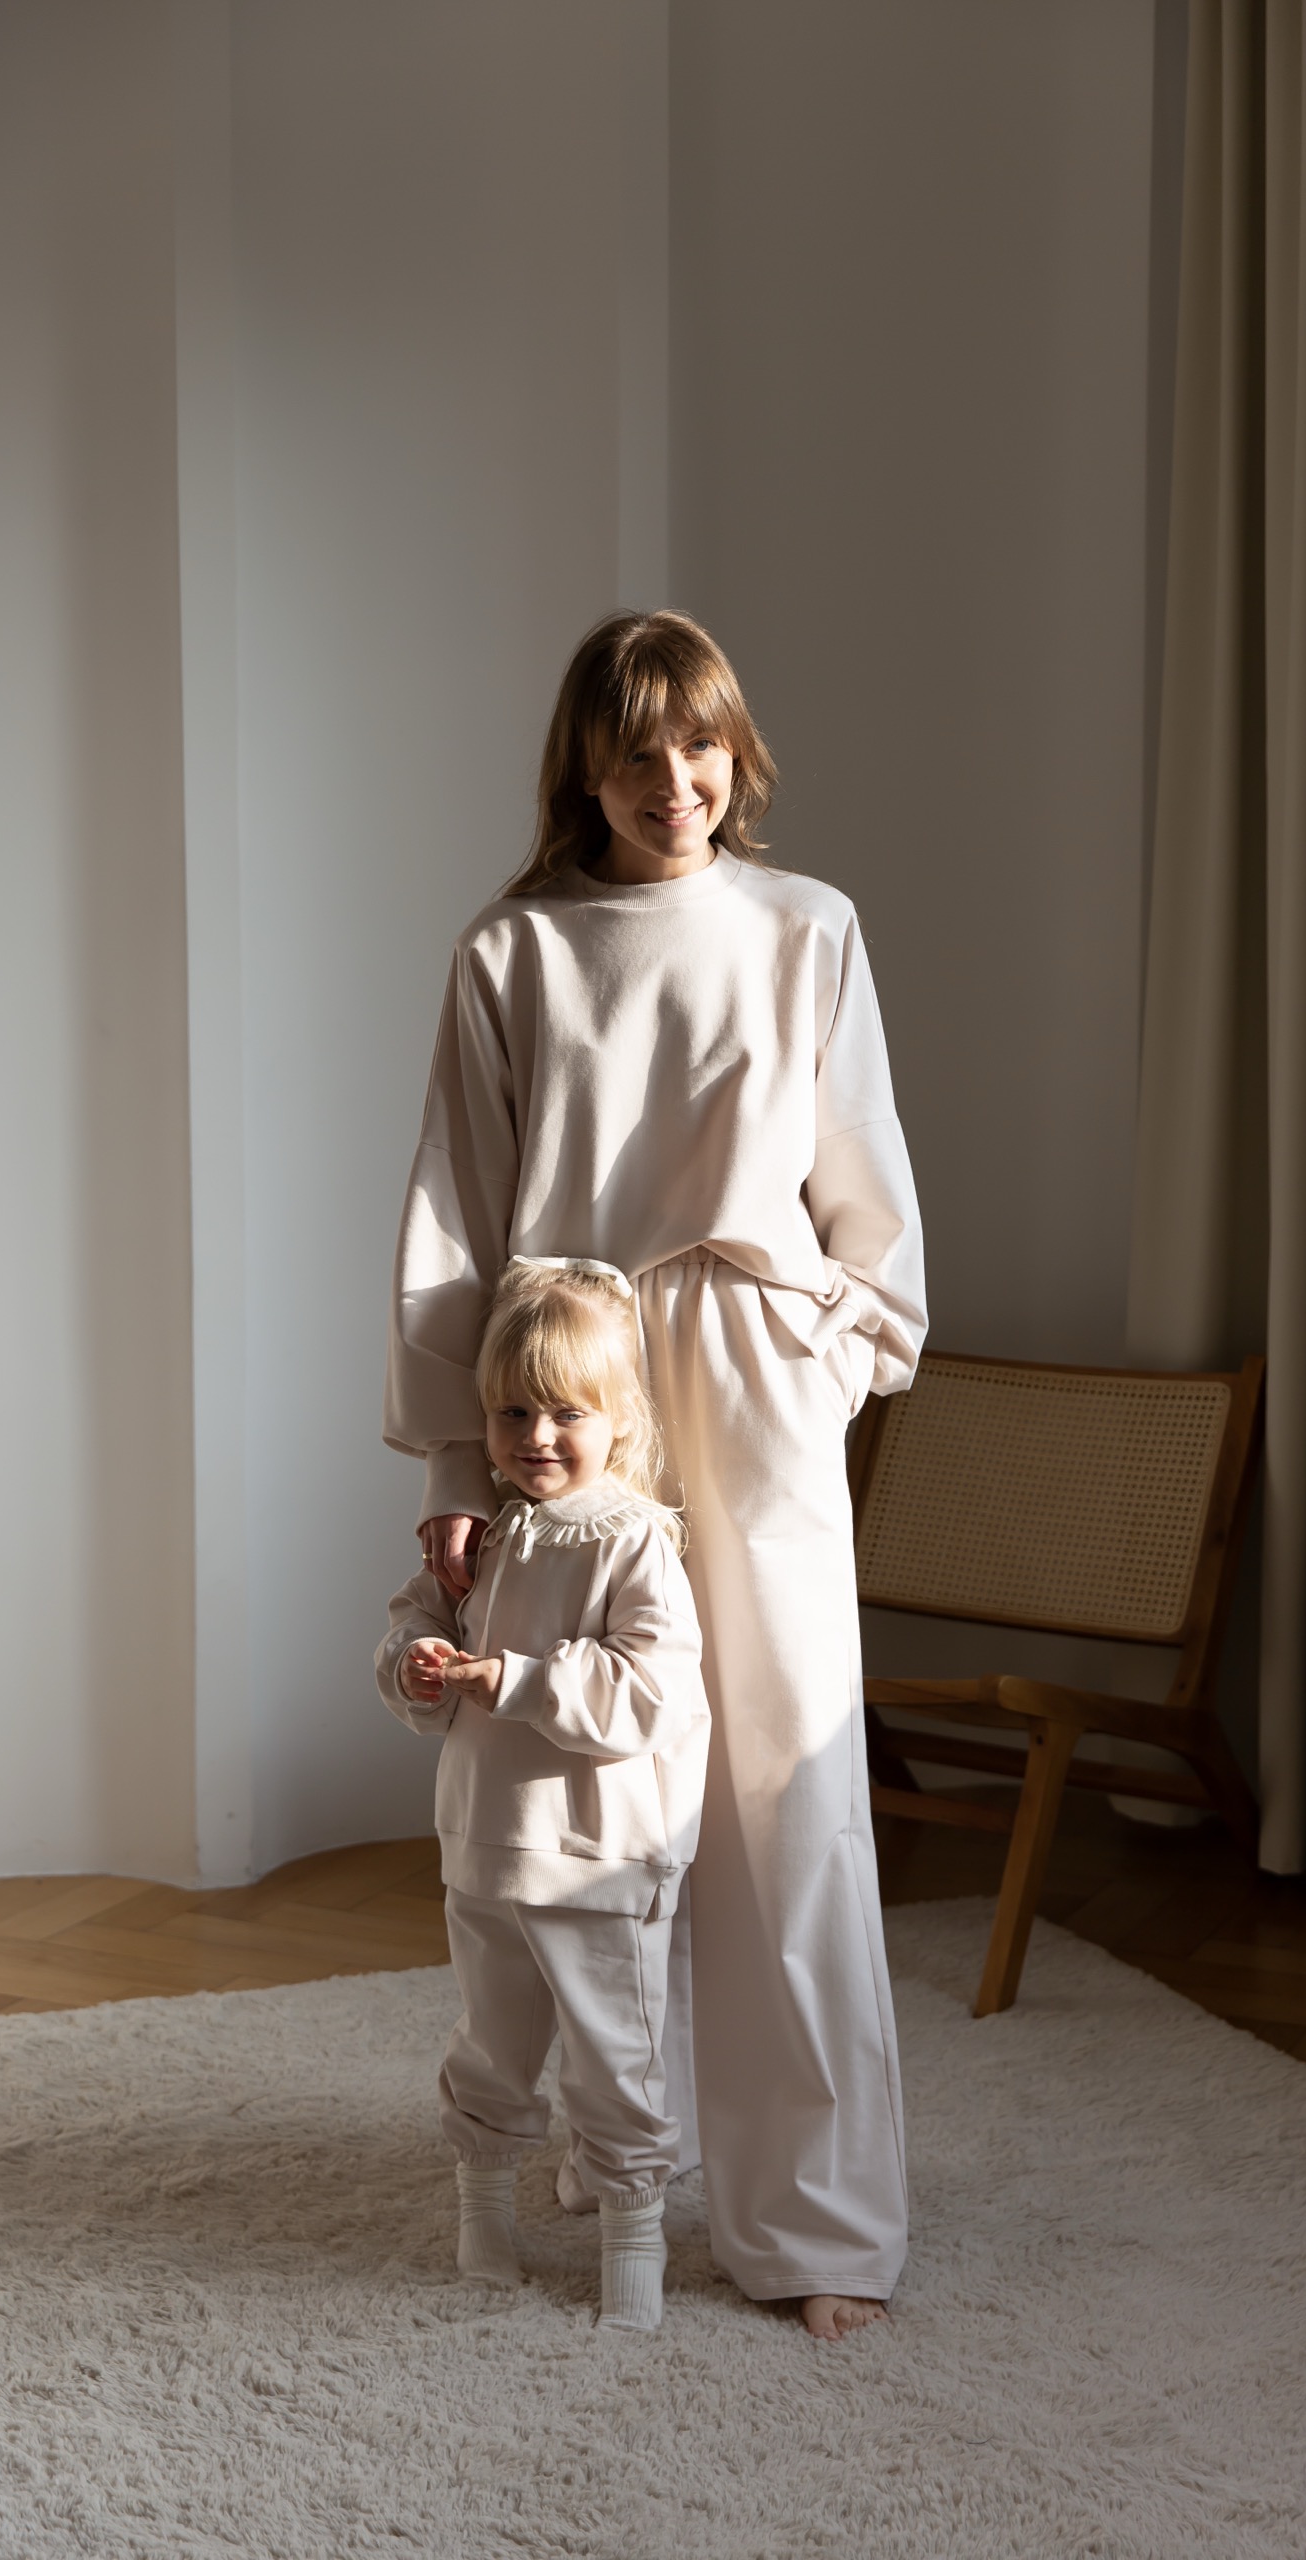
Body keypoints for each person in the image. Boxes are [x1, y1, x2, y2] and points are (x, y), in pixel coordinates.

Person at [384, 610, 926, 2341]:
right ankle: (609, 2135)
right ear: (583, 769)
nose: (670, 780)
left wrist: (824, 1355)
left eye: (697, 744)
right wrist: (460, 1453)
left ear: (734, 753)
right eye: (633, 751)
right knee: (585, 1776)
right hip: (565, 1393)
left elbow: (867, 1197)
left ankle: (815, 2225)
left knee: (786, 1795)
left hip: (750, 1379)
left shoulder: (806, 925)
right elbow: (455, 1217)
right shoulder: (512, 950)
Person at [376, 1255, 709, 2333]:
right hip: (484, 1842)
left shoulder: (633, 1538)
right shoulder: (485, 1534)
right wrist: (418, 1663)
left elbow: (651, 1692)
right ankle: (484, 2213)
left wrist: (514, 1681)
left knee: (615, 2056)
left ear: (618, 1418)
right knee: (491, 2044)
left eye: (568, 1412)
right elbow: (412, 1619)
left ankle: (633, 2244)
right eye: (513, 1411)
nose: (537, 1436)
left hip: (597, 1857)